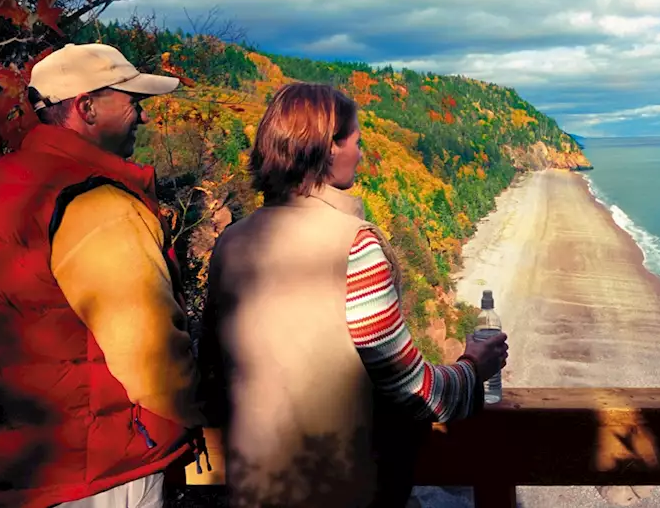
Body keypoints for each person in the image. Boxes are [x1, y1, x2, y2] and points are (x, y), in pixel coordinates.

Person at [196, 82, 509, 508]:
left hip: (251, 487)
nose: (361, 154)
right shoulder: (355, 246)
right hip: (342, 490)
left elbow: (212, 370)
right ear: (328, 149)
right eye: (357, 142)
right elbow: (413, 390)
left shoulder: (231, 242)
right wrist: (474, 367)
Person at [0, 43, 209, 508]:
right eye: (131, 102)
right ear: (87, 107)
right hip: (95, 472)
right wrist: (207, 414)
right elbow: (156, 366)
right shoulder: (99, 206)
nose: (141, 118)